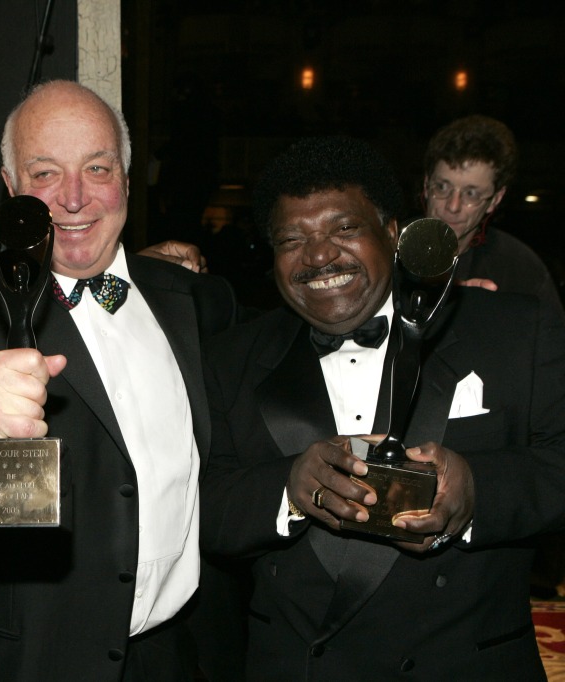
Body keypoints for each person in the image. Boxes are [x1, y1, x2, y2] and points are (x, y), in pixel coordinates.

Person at [0, 80, 241, 681]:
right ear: (11, 187)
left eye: (97, 168)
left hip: (169, 658)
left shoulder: (191, 301)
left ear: (124, 179)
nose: (73, 198)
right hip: (22, 663)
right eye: (45, 174)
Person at [200, 135, 565, 680]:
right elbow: (198, 507)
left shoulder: (512, 328)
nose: (319, 254)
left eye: (344, 229)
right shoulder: (230, 357)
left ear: (393, 233)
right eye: (292, 239)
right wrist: (288, 487)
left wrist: (475, 489)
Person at [423, 114, 563, 315]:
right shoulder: (385, 252)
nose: (453, 206)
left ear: (495, 199)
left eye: (471, 194)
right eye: (443, 187)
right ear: (427, 186)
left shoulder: (522, 271)